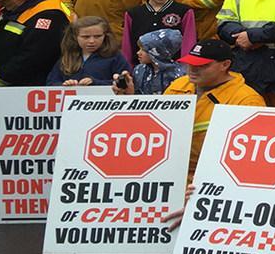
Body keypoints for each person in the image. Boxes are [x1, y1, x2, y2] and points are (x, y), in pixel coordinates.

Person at [112, 39, 265, 173]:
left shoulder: (246, 100)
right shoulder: (180, 84)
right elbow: (156, 127)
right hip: (171, 171)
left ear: (225, 65)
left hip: (210, 177)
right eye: (190, 63)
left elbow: (247, 158)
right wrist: (128, 99)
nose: (192, 69)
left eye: (202, 65)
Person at [0, 0, 70, 86]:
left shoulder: (49, 15)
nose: (1, 4)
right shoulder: (20, 7)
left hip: (25, 88)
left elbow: (32, 58)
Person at [121, 0, 196, 64]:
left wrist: (186, 66)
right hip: (141, 66)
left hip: (174, 66)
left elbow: (189, 41)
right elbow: (127, 45)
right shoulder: (133, 14)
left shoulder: (183, 11)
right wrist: (127, 67)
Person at [47, 16, 131, 86]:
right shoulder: (67, 57)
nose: (92, 41)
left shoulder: (115, 56)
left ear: (105, 35)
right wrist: (65, 85)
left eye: (97, 36)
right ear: (75, 37)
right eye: (86, 37)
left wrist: (95, 83)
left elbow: (126, 83)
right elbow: (51, 83)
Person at [132, 29, 187, 94]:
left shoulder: (180, 74)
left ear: (158, 52)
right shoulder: (139, 70)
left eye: (144, 49)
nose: (138, 53)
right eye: (139, 49)